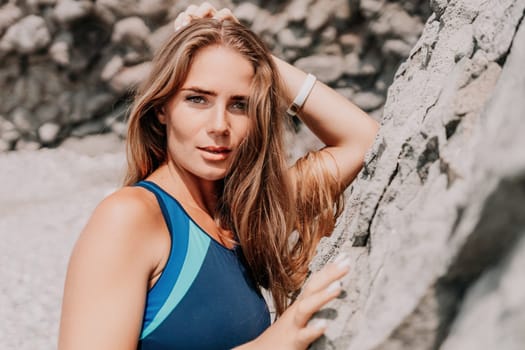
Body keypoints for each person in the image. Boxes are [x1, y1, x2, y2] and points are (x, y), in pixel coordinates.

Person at [58, 3, 379, 349]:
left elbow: (365, 140)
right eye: (198, 99)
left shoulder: (245, 217)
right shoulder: (130, 217)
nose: (219, 126)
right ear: (161, 108)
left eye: (240, 104)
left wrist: (262, 60)